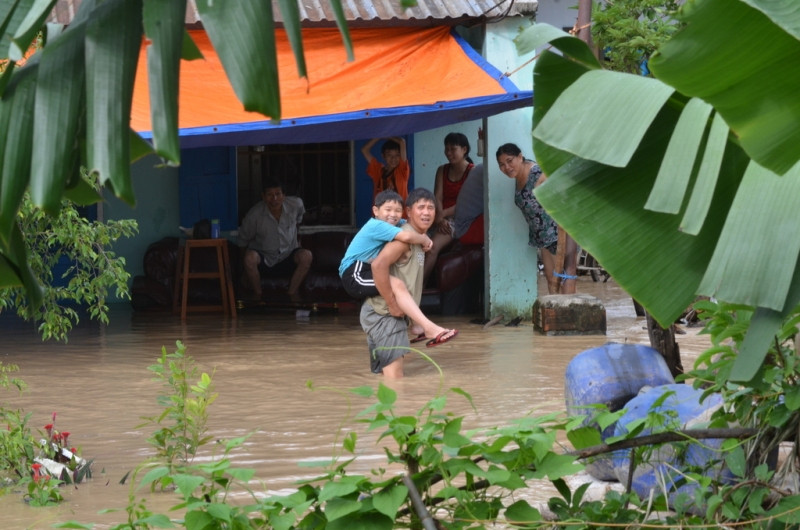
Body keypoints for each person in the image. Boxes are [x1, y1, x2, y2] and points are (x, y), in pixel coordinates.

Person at [361, 188, 459, 378]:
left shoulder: (419, 238)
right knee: (396, 381)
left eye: (431, 208)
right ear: (408, 212)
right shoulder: (405, 238)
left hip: (379, 313)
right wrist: (391, 303)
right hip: (385, 315)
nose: (426, 212)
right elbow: (378, 265)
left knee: (384, 379)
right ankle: (430, 329)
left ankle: (422, 326)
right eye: (420, 207)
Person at [340, 190, 454, 343]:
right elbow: (406, 236)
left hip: (365, 268)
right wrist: (424, 239)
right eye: (388, 210)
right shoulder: (377, 225)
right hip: (354, 272)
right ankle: (429, 328)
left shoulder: (397, 224)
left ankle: (418, 324)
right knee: (397, 284)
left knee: (399, 285)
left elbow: (408, 224)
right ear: (375, 211)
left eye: (397, 211)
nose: (393, 215)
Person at [496, 143, 578, 294]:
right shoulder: (517, 176)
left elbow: (566, 194)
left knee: (564, 280)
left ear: (520, 157)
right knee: (551, 281)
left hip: (558, 235)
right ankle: (555, 310)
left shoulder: (538, 174)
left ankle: (569, 309)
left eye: (509, 161)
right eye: (501, 164)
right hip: (542, 239)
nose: (506, 167)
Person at [238, 180, 313, 302]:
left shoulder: (296, 204)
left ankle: (291, 295)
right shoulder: (254, 214)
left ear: (284, 195)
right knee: (249, 258)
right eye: (269, 195)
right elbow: (242, 241)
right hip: (264, 259)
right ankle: (258, 296)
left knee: (306, 255)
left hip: (288, 256)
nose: (274, 199)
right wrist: (245, 268)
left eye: (278, 194)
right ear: (263, 196)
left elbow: (299, 220)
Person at [423, 132, 482, 284]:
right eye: (447, 149)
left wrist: (443, 215)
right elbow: (437, 197)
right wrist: (439, 218)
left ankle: (418, 290)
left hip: (459, 218)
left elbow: (467, 203)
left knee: (432, 248)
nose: (449, 153)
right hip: (439, 216)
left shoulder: (473, 171)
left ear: (464, 149)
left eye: (453, 149)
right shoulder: (442, 170)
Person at [361, 137, 410, 202]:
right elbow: (364, 150)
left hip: (401, 209)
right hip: (380, 208)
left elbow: (402, 142)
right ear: (383, 156)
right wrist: (378, 137)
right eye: (389, 155)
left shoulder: (402, 171)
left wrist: (385, 135)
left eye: (397, 155)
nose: (393, 158)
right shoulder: (378, 170)